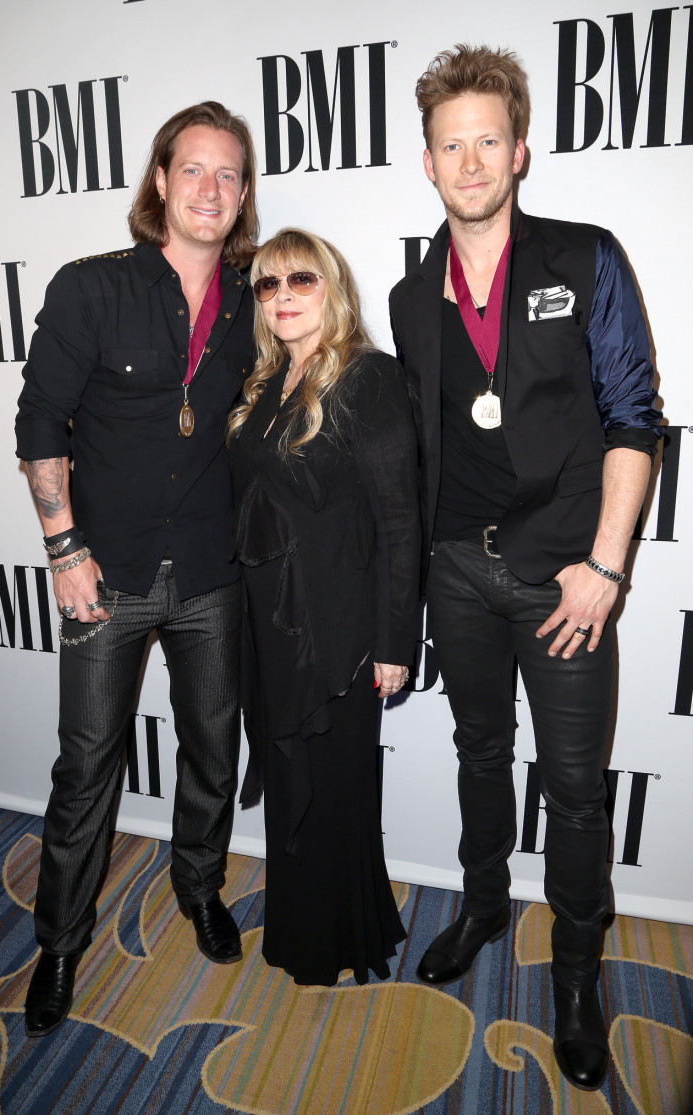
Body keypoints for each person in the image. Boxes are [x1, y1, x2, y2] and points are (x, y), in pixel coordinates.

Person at [389, 46, 661, 1091]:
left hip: (565, 578)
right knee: (477, 751)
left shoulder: (584, 259)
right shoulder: (411, 296)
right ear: (427, 163)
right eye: (449, 145)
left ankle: (578, 976)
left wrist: (605, 565)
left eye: (486, 141)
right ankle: (482, 904)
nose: (469, 162)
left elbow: (633, 416)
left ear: (519, 152)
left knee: (578, 792)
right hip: (457, 571)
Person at [15, 101, 259, 1037]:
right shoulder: (92, 288)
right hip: (104, 573)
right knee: (86, 766)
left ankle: (199, 887)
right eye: (193, 168)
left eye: (228, 174)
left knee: (212, 748)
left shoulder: (254, 300)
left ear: (243, 193)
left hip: (211, 571)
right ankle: (61, 942)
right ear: (161, 180)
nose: (210, 188)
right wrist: (63, 548)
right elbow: (41, 421)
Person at [228, 229, 420, 986]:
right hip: (271, 623)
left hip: (338, 629)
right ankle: (300, 925)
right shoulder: (266, 381)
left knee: (334, 783)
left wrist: (394, 642)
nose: (282, 296)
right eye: (267, 285)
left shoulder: (368, 376)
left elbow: (400, 519)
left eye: (300, 279)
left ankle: (337, 936)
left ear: (331, 287)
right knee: (288, 773)